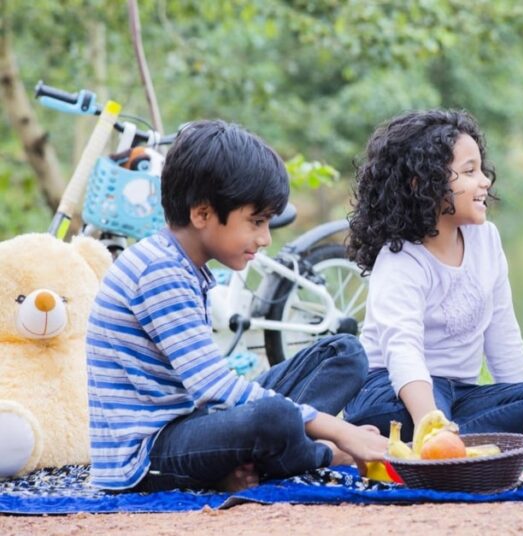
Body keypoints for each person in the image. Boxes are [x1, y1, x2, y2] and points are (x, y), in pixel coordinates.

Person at [87, 120, 387, 492]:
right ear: (202, 214)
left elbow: (212, 393)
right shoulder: (159, 270)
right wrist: (340, 433)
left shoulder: (182, 264)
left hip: (189, 423)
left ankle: (255, 460)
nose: (264, 239)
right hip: (146, 456)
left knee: (343, 352)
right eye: (256, 222)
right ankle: (319, 453)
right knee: (274, 418)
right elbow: (215, 387)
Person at [343, 110, 523, 440]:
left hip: (460, 395)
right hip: (394, 389)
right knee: (386, 415)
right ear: (424, 184)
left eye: (481, 169)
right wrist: (428, 420)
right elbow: (402, 350)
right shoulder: (401, 258)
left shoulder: (486, 239)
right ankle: (435, 436)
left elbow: (503, 335)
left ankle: (450, 440)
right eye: (469, 171)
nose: (485, 181)